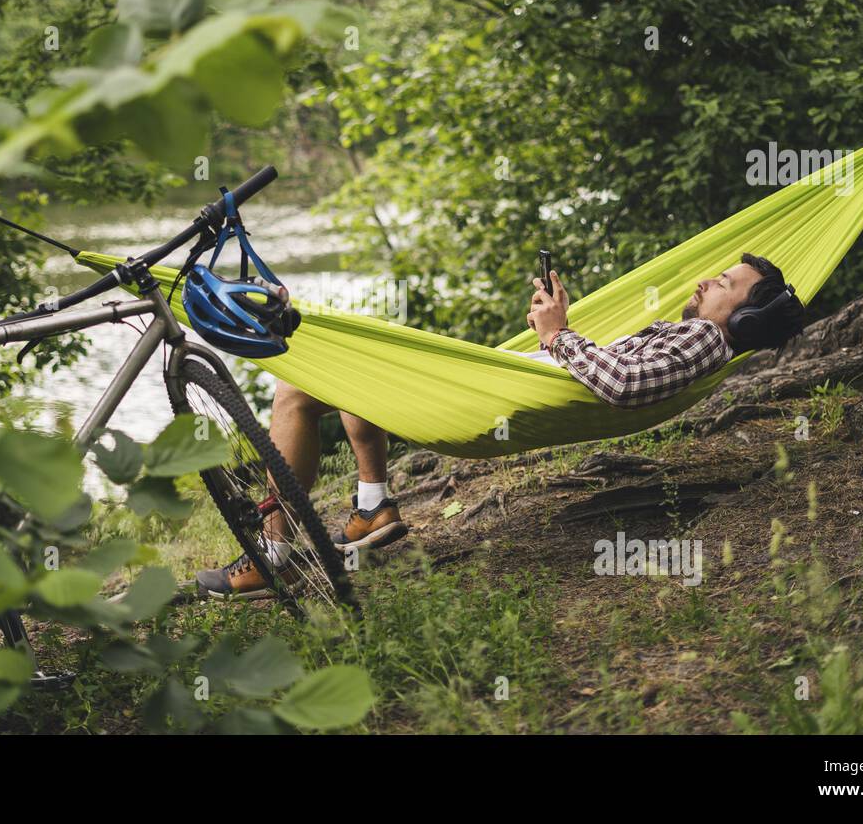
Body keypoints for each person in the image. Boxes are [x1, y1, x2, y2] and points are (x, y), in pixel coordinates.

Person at [196, 252, 805, 598]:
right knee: (356, 376)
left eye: (722, 284)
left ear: (745, 321)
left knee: (297, 387)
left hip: (499, 401)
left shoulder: (703, 340)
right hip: (507, 388)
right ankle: (372, 506)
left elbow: (620, 386)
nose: (703, 281)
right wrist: (558, 334)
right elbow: (620, 370)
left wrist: (557, 334)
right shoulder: (699, 339)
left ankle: (271, 554)